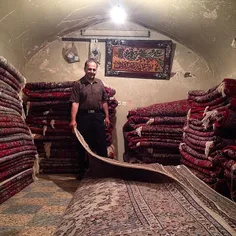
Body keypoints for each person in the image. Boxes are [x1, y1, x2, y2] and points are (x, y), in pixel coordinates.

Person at [69, 58, 110, 179]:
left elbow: (104, 101)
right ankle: (82, 171)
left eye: (94, 69)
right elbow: (75, 103)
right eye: (89, 69)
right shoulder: (78, 84)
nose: (92, 71)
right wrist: (73, 120)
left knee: (101, 143)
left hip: (98, 116)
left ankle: (104, 170)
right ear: (85, 69)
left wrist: (107, 116)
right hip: (83, 116)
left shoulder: (100, 83)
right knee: (82, 145)